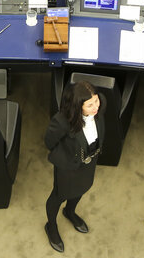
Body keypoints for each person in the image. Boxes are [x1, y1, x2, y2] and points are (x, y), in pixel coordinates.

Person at [43, 80, 106, 253]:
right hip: (68, 166)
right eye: (90, 104)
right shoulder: (62, 121)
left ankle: (69, 212)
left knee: (81, 188)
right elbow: (49, 142)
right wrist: (65, 155)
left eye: (96, 101)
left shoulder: (100, 106)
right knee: (59, 195)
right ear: (77, 106)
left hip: (89, 161)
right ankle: (51, 225)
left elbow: (99, 111)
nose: (96, 107)